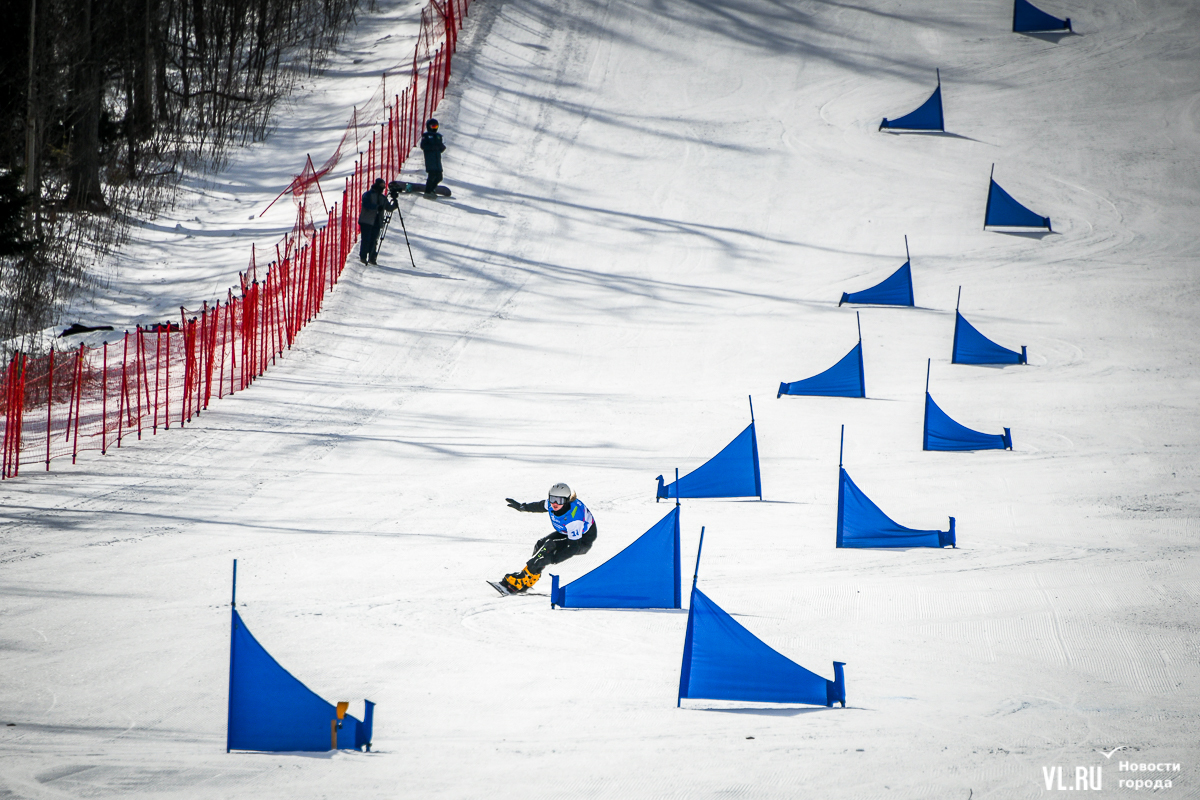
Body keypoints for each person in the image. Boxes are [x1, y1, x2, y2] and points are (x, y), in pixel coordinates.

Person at [500, 482, 597, 594]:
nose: (555, 504)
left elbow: (573, 547)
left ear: (566, 501)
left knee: (549, 547)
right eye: (552, 499)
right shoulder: (553, 504)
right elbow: (540, 506)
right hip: (566, 531)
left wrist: (553, 559)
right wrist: (522, 507)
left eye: (559, 501)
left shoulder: (574, 519)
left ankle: (523, 577)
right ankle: (531, 576)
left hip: (582, 540)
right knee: (540, 544)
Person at [358, 178, 396, 264]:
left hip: (377, 221)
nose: (382, 187)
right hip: (366, 221)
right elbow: (366, 204)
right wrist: (376, 207)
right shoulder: (368, 194)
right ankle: (363, 257)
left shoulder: (382, 198)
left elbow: (388, 208)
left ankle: (372, 257)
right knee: (366, 239)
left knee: (374, 240)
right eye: (381, 185)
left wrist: (395, 204)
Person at [420, 119, 446, 196]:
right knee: (432, 175)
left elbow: (440, 147)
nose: (434, 128)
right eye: (433, 126)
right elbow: (423, 146)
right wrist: (433, 147)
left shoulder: (438, 136)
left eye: (436, 126)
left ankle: (432, 189)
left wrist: (441, 147)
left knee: (439, 177)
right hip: (430, 159)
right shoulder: (426, 136)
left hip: (437, 159)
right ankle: (428, 191)